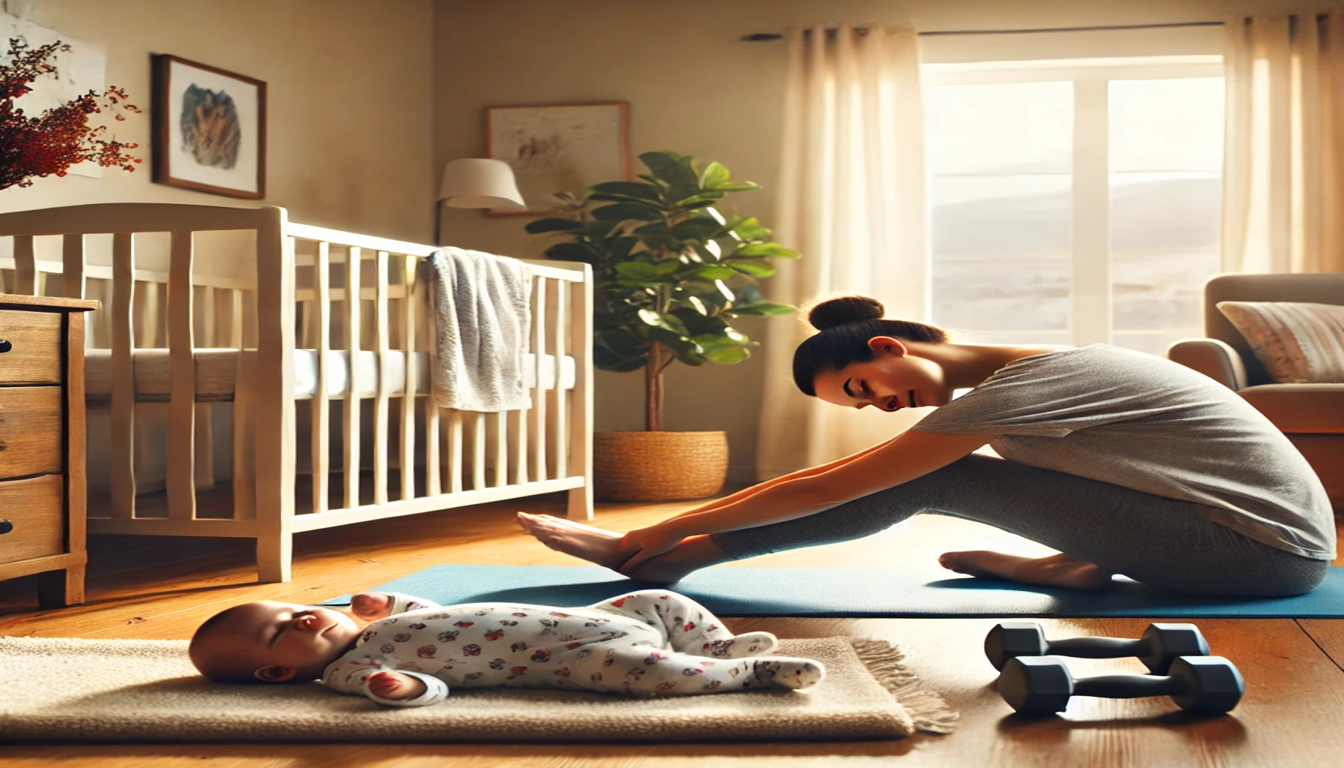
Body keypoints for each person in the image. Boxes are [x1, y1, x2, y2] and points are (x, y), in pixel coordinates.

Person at [518, 295, 1336, 598]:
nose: (880, 405)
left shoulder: (1027, 386)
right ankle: (1078, 565)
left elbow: (828, 487)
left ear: (886, 347)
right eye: (862, 407)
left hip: (1262, 559)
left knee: (938, 481)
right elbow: (837, 473)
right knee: (953, 469)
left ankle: (671, 566)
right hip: (1234, 539)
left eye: (867, 388)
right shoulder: (1021, 382)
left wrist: (650, 533)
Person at [188, 589, 825, 706]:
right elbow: (431, 686)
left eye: (294, 611)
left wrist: (388, 604)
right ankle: (745, 673)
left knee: (659, 599)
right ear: (276, 672)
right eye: (282, 633)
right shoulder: (352, 669)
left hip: (593, 615)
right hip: (576, 660)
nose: (302, 619)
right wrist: (402, 689)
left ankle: (715, 642)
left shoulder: (367, 629)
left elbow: (428, 612)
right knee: (643, 673)